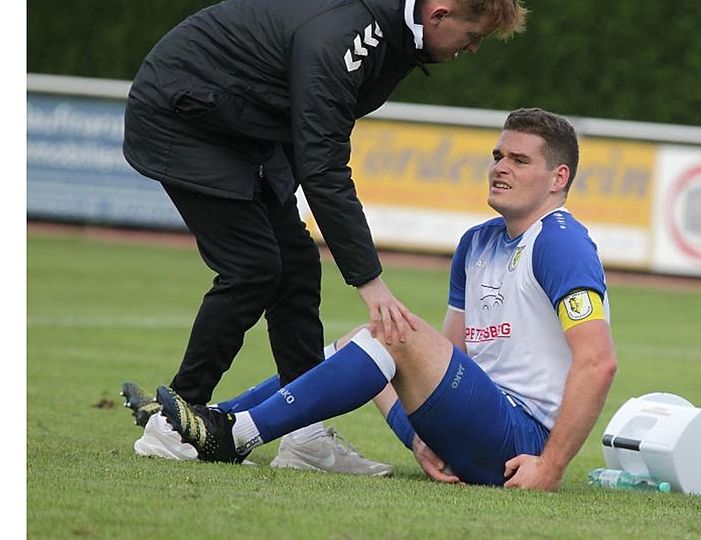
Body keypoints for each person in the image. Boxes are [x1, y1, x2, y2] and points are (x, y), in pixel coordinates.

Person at [118, 0, 527, 473]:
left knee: (295, 266)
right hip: (184, 113)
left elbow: (310, 130)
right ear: (438, 15)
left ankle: (304, 437)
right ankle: (174, 425)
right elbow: (323, 164)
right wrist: (370, 282)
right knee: (253, 267)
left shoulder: (397, 38)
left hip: (238, 124)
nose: (473, 48)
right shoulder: (351, 35)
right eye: (473, 35)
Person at [158, 108, 618, 490]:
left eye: (519, 160)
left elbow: (598, 362)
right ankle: (205, 418)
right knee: (376, 335)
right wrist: (426, 434)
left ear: (559, 177)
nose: (499, 167)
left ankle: (235, 435)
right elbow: (452, 357)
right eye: (498, 156)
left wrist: (551, 467)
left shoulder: (561, 242)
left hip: (521, 442)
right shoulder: (477, 242)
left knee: (394, 333)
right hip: (476, 422)